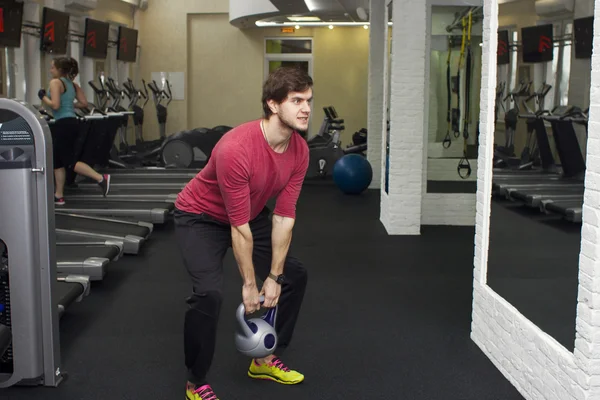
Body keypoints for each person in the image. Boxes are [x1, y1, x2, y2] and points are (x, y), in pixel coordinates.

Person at [174, 66, 312, 400]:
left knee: (294, 276)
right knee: (209, 294)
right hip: (201, 216)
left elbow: (283, 218)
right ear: (273, 105)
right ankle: (196, 381)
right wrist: (250, 285)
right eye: (297, 100)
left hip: (249, 215)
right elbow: (238, 228)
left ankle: (264, 355)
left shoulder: (299, 151)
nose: (307, 108)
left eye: (309, 100)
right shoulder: (236, 148)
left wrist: (275, 277)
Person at [38, 57, 110, 205]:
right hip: (72, 122)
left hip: (63, 124)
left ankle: (101, 178)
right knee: (57, 161)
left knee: (69, 161)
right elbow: (84, 103)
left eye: (52, 68)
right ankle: (59, 195)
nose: (51, 70)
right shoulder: (72, 85)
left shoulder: (55, 82)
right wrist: (69, 105)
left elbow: (55, 105)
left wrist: (43, 97)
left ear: (59, 70)